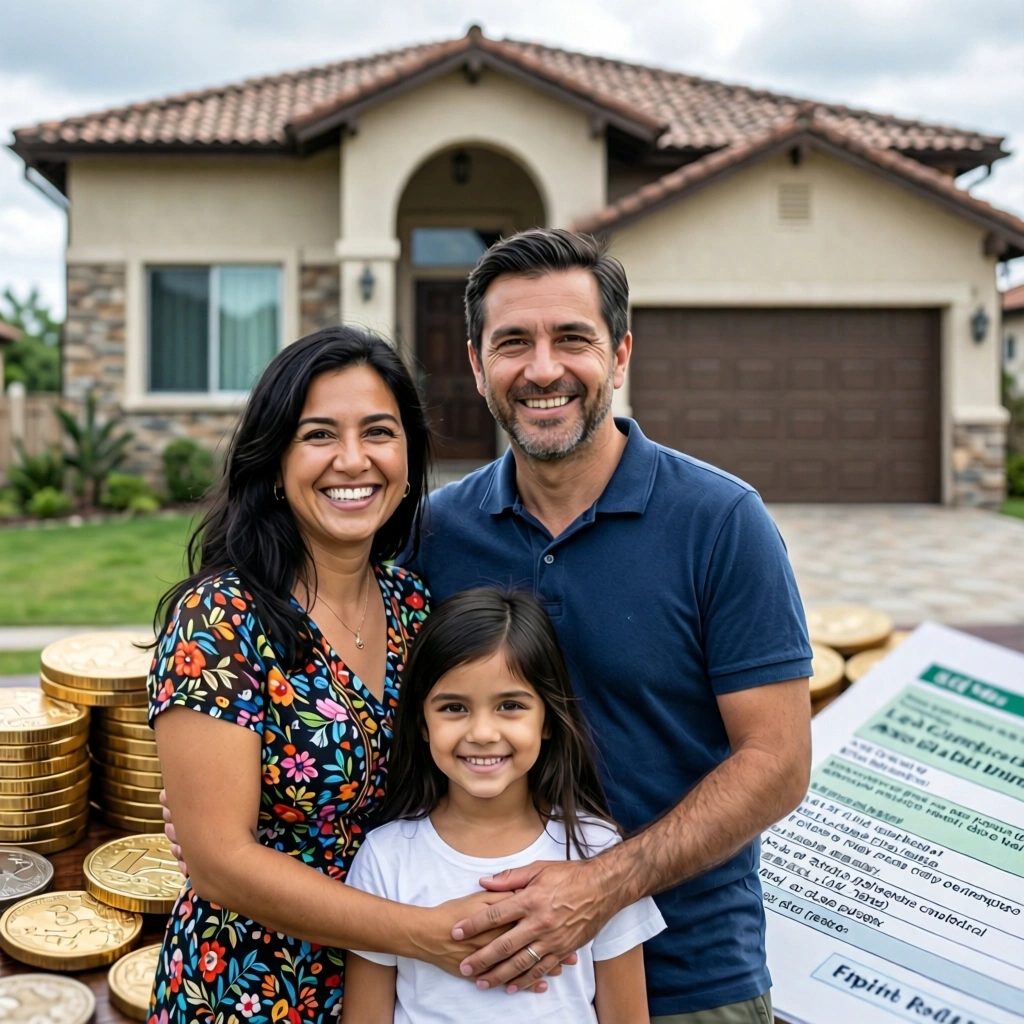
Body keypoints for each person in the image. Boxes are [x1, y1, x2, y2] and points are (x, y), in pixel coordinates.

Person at [405, 228, 814, 1023]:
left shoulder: (721, 522)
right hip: (481, 977)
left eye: (573, 339)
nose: (543, 368)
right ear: (476, 364)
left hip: (691, 979)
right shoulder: (434, 537)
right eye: (513, 342)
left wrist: (600, 888)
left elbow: (778, 760)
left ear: (620, 355)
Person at [147, 327, 523, 1022]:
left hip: (401, 994)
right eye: (319, 435)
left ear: (408, 454)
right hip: (248, 993)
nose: (353, 461)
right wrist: (423, 935)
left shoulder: (416, 608)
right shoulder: (220, 620)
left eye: (378, 432)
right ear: (276, 460)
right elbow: (220, 863)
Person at [341, 587, 665, 1023]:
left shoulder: (598, 852)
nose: (482, 732)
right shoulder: (386, 856)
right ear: (422, 724)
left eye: (510, 706)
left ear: (547, 719)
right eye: (454, 707)